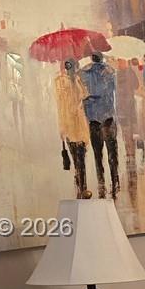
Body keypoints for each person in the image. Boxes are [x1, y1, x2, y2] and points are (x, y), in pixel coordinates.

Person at [81, 51, 119, 196]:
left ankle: (101, 183)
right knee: (112, 152)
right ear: (102, 59)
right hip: (108, 116)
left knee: (98, 154)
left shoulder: (84, 73)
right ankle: (115, 182)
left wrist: (88, 102)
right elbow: (113, 91)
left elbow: (83, 95)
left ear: (92, 59)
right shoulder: (110, 72)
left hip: (93, 118)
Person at [54, 58, 90, 198]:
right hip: (71, 125)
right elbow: (61, 105)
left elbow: (84, 95)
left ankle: (81, 186)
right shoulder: (61, 82)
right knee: (77, 158)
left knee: (79, 157)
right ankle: (81, 185)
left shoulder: (76, 80)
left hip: (76, 125)